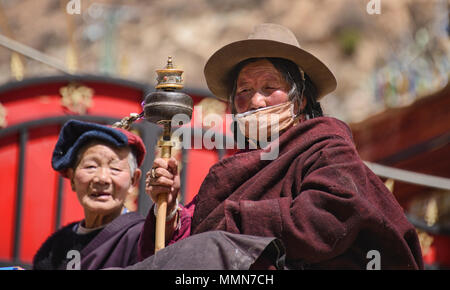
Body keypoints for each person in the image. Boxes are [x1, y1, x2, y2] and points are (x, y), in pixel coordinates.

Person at [138, 23, 424, 269]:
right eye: (244, 91)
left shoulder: (326, 148)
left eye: (268, 87)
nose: (255, 101)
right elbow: (192, 244)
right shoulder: (236, 168)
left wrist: (235, 220)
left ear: (298, 101)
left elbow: (327, 221)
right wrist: (172, 208)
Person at [33, 119, 146, 270]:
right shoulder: (54, 247)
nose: (102, 178)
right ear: (72, 178)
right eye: (91, 166)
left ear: (133, 180)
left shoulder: (142, 238)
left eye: (115, 169)